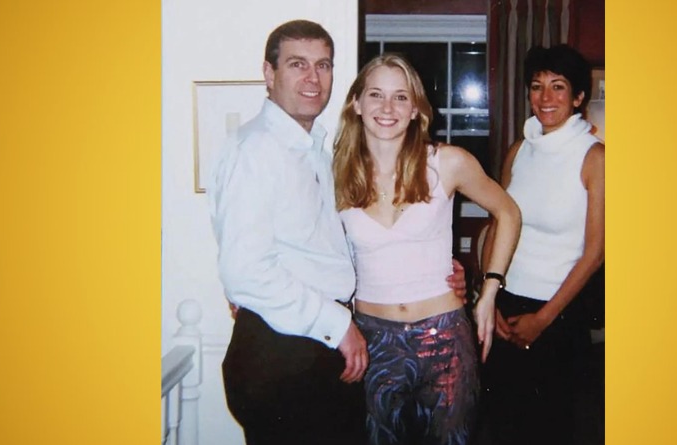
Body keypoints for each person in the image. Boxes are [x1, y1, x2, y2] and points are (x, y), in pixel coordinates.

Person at [208, 20, 466, 445]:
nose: (313, 78)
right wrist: (337, 323)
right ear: (269, 73)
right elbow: (245, 272)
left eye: (323, 65)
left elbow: (331, 245)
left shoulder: (316, 150)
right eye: (297, 64)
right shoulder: (255, 150)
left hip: (316, 345)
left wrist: (436, 267)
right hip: (284, 349)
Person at [332, 54, 521, 445]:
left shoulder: (447, 162)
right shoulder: (335, 172)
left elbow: (508, 212)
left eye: (401, 97)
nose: (388, 107)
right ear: (356, 103)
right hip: (372, 342)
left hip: (445, 340)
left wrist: (489, 292)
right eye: (376, 94)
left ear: (416, 109)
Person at [479, 44, 605, 445]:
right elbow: (497, 226)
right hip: (506, 305)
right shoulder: (519, 151)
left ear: (578, 97)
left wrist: (544, 319)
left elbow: (596, 252)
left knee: (549, 430)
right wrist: (490, 298)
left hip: (559, 314)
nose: (545, 97)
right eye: (537, 86)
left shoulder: (595, 158)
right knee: (501, 427)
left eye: (558, 86)